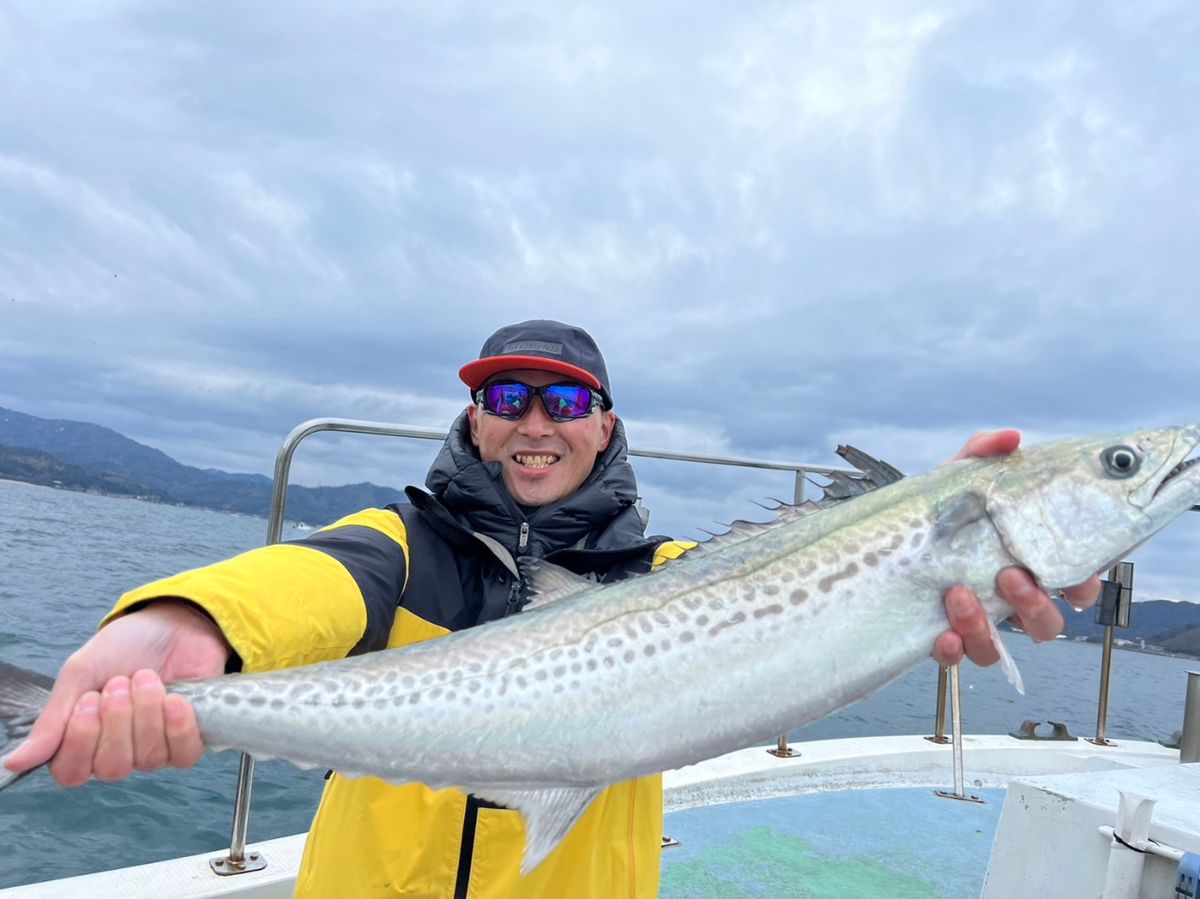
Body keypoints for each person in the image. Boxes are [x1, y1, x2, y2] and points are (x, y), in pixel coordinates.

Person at [4, 319, 1099, 898]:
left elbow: (810, 609)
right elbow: (308, 580)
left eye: (565, 399)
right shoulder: (403, 545)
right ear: (474, 422)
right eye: (504, 398)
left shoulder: (668, 569)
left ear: (606, 426)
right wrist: (189, 623)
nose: (536, 421)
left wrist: (929, 528)